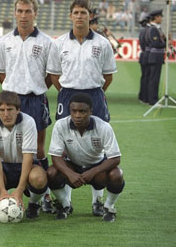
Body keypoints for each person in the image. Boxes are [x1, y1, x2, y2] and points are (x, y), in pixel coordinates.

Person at [0, 0, 54, 212]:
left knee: (37, 148)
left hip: (35, 99)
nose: (23, 15)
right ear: (14, 13)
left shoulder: (46, 42)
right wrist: (12, 91)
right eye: (19, 11)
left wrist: (36, 86)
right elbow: (0, 71)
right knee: (4, 146)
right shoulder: (5, 41)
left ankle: (42, 195)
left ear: (35, 14)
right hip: (11, 100)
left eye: (28, 11)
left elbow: (51, 74)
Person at [47, 93, 125, 222]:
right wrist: (70, 173)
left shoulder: (104, 127)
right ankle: (65, 204)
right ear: (70, 111)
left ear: (91, 111)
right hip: (73, 165)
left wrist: (92, 172)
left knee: (117, 174)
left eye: (82, 111)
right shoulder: (60, 125)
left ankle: (109, 207)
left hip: (97, 168)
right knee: (51, 172)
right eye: (74, 111)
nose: (77, 115)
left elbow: (115, 158)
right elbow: (55, 157)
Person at [0, 91, 48, 219]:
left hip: (24, 165)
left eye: (10, 109)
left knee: (39, 178)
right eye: (1, 110)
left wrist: (20, 190)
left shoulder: (28, 122)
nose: (6, 114)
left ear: (18, 110)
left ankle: (33, 203)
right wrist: (3, 191)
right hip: (2, 167)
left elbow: (28, 157)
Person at [47, 0, 116, 122]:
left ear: (90, 16)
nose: (79, 16)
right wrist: (65, 92)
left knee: (96, 135)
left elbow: (108, 76)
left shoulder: (103, 43)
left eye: (83, 13)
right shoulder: (59, 43)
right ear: (70, 16)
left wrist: (96, 92)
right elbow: (54, 75)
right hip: (67, 95)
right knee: (67, 135)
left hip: (94, 95)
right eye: (76, 13)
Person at [146, 9, 165, 105]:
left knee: (155, 79)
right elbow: (155, 43)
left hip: (157, 57)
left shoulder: (157, 28)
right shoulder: (153, 29)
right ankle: (152, 100)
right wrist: (166, 44)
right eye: (160, 16)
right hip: (155, 56)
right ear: (156, 17)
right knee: (154, 79)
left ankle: (154, 98)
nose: (161, 18)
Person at [138, 13, 150, 104]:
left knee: (144, 77)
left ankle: (142, 96)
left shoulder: (142, 31)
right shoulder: (147, 31)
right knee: (147, 77)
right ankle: (145, 97)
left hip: (143, 55)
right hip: (147, 54)